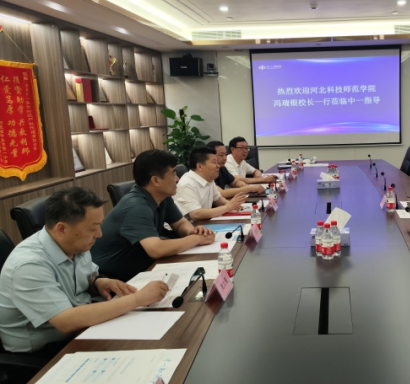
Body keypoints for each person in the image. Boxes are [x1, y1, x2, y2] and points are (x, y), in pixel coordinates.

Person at [0, 187, 169, 355]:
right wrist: (137, 299)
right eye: (92, 228)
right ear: (61, 229)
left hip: (81, 329)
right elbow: (66, 321)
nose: (99, 234)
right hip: (45, 351)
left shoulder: (76, 243)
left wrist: (98, 283)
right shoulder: (28, 265)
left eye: (100, 225)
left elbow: (84, 279)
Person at [91, 150, 215, 282]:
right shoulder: (136, 206)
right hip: (113, 279)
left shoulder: (162, 196)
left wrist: (192, 231)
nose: (177, 178)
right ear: (156, 180)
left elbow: (179, 223)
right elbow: (156, 249)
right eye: (173, 173)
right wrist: (196, 239)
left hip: (144, 266)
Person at [174, 146, 248, 220]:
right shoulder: (187, 183)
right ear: (200, 166)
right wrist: (227, 207)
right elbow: (196, 214)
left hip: (204, 222)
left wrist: (233, 205)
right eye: (214, 162)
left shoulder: (208, 179)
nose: (218, 166)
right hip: (190, 225)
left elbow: (217, 199)